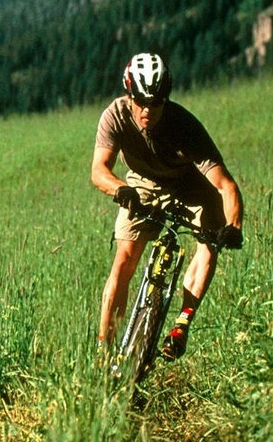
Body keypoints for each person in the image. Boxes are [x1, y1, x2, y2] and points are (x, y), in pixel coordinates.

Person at [92, 52, 243, 360]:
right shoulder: (115, 116)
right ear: (128, 93)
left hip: (190, 185)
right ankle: (103, 354)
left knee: (210, 240)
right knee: (124, 259)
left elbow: (226, 186)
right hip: (141, 182)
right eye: (141, 101)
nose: (148, 110)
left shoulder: (185, 126)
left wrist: (234, 228)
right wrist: (121, 189)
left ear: (166, 99)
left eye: (157, 102)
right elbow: (99, 171)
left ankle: (182, 324)